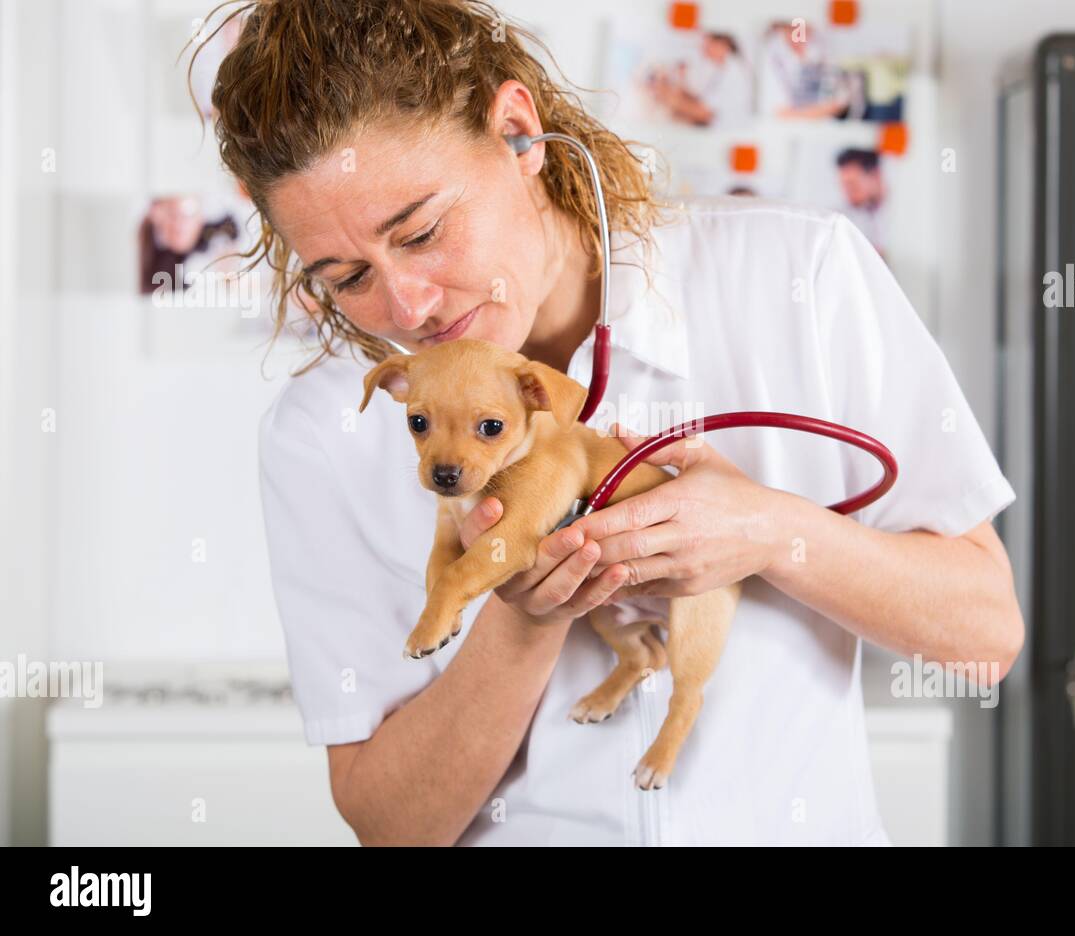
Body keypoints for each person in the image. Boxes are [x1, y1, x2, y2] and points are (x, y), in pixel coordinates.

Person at [205, 0, 1023, 846]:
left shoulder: (797, 275)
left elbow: (985, 637)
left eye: (423, 232)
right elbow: (390, 824)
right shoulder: (323, 428)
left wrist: (774, 533)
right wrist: (525, 613)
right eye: (347, 277)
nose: (405, 305)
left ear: (518, 132)